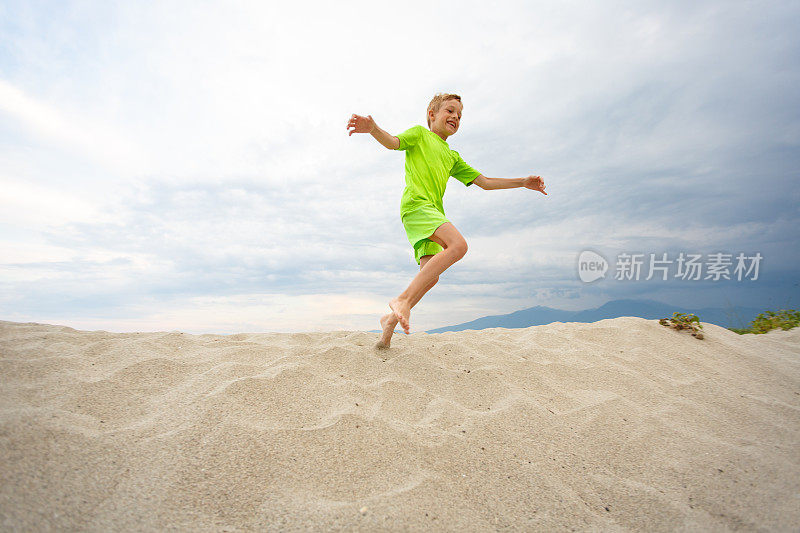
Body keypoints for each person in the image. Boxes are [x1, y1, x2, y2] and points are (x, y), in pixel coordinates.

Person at [347, 93, 547, 348]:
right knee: (459, 246)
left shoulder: (452, 156)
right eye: (450, 111)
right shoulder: (420, 135)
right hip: (416, 206)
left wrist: (522, 183)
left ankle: (389, 322)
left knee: (431, 275)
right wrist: (373, 128)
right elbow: (393, 142)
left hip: (433, 213)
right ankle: (403, 301)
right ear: (432, 115)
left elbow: (484, 182)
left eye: (460, 115)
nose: (455, 117)